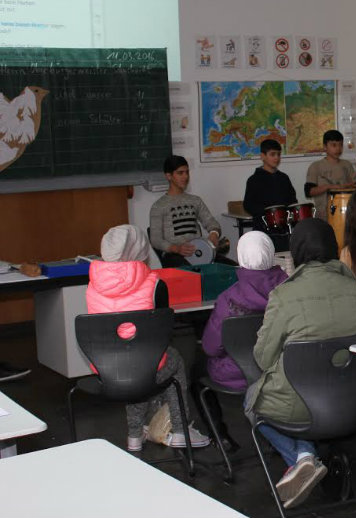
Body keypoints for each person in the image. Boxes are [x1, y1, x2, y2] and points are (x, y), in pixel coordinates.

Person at [244, 218, 356, 509]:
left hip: (298, 404)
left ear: (296, 252)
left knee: (251, 400)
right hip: (351, 403)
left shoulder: (283, 295)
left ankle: (302, 457)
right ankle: (305, 456)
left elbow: (262, 359)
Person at [85, 225, 210, 452]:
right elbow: (162, 332)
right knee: (171, 360)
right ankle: (181, 430)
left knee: (134, 365)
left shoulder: (93, 285)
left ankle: (135, 435)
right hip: (145, 367)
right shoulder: (155, 284)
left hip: (108, 371)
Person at [202, 231, 287, 391]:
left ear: (240, 257)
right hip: (280, 370)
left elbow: (210, 347)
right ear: (271, 253)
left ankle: (213, 415)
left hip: (236, 372)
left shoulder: (228, 299)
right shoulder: (290, 290)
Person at [149, 155, 230, 267]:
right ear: (169, 176)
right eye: (180, 173)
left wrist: (214, 234)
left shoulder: (195, 200)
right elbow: (156, 239)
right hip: (174, 256)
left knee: (231, 267)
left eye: (187, 172)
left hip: (199, 251)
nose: (185, 176)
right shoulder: (158, 206)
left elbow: (212, 223)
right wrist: (176, 248)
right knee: (191, 273)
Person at [242, 139, 297, 251]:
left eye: (278, 154)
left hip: (283, 230)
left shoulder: (284, 178)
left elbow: (292, 200)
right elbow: (248, 205)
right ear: (262, 156)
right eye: (272, 154)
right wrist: (268, 212)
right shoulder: (253, 180)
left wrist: (288, 213)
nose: (276, 158)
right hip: (263, 230)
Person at [304, 129, 356, 220]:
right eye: (334, 145)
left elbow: (355, 186)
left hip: (346, 214)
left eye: (340, 145)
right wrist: (328, 187)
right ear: (325, 147)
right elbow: (309, 192)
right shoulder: (316, 166)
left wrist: (348, 187)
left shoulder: (347, 165)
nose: (338, 148)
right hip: (323, 215)